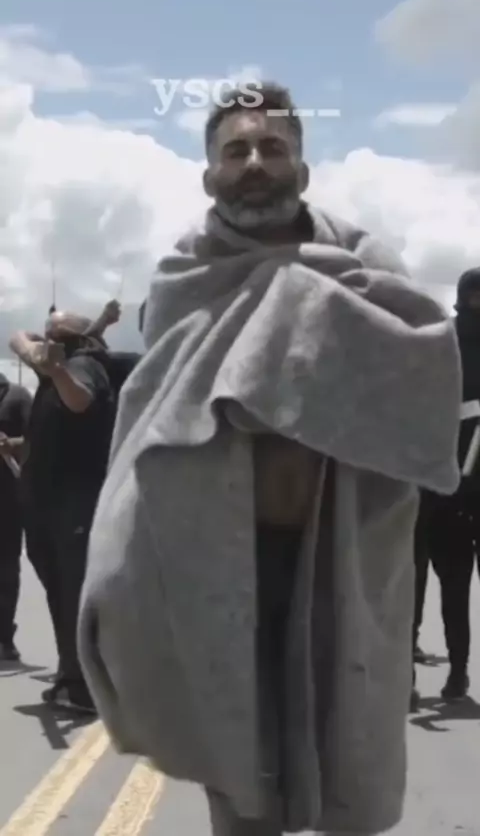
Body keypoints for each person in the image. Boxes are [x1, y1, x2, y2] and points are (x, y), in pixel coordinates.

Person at [78, 83, 461, 835]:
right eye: (236, 150)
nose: (254, 162)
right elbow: (160, 408)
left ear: (302, 170)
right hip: (218, 565)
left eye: (273, 147)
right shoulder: (186, 275)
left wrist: (291, 310)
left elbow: (424, 374)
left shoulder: (362, 263)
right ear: (210, 175)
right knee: (236, 767)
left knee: (346, 750)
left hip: (343, 552)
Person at [9, 304, 118, 713]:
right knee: (59, 591)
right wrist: (40, 355)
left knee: (73, 592)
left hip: (74, 505)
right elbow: (16, 338)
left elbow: (79, 401)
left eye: (58, 332)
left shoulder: (85, 367)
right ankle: (72, 675)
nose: (49, 334)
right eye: (48, 331)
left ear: (79, 337)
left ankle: (85, 685)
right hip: (45, 505)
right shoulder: (52, 365)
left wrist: (56, 370)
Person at [413, 267, 480, 702]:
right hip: (442, 488)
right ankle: (453, 672)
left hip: (466, 489)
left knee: (453, 587)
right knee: (446, 588)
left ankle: (457, 673)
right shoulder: (441, 343)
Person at [0, 373, 32, 662]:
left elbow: (39, 439)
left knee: (6, 572)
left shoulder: (17, 397)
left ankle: (4, 638)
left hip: (7, 502)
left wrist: (10, 443)